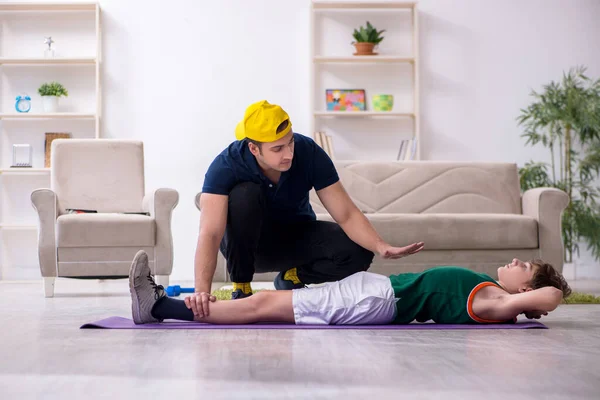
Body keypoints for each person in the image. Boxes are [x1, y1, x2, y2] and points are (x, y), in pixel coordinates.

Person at [193, 99, 424, 311]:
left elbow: (346, 215)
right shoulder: (226, 165)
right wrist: (201, 292)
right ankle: (241, 288)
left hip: (295, 240)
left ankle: (291, 278)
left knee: (359, 251)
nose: (289, 154)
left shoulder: (309, 152)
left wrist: (381, 245)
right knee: (245, 194)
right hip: (249, 249)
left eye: (290, 143)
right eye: (278, 148)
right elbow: (210, 233)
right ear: (254, 148)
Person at [129, 250, 571, 326]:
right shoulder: (493, 291)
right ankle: (164, 302)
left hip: (374, 299)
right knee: (260, 300)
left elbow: (551, 297)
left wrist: (523, 302)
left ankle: (159, 307)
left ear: (528, 285)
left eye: (524, 266)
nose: (515, 261)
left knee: (260, 304)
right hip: (373, 293)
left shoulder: (497, 301)